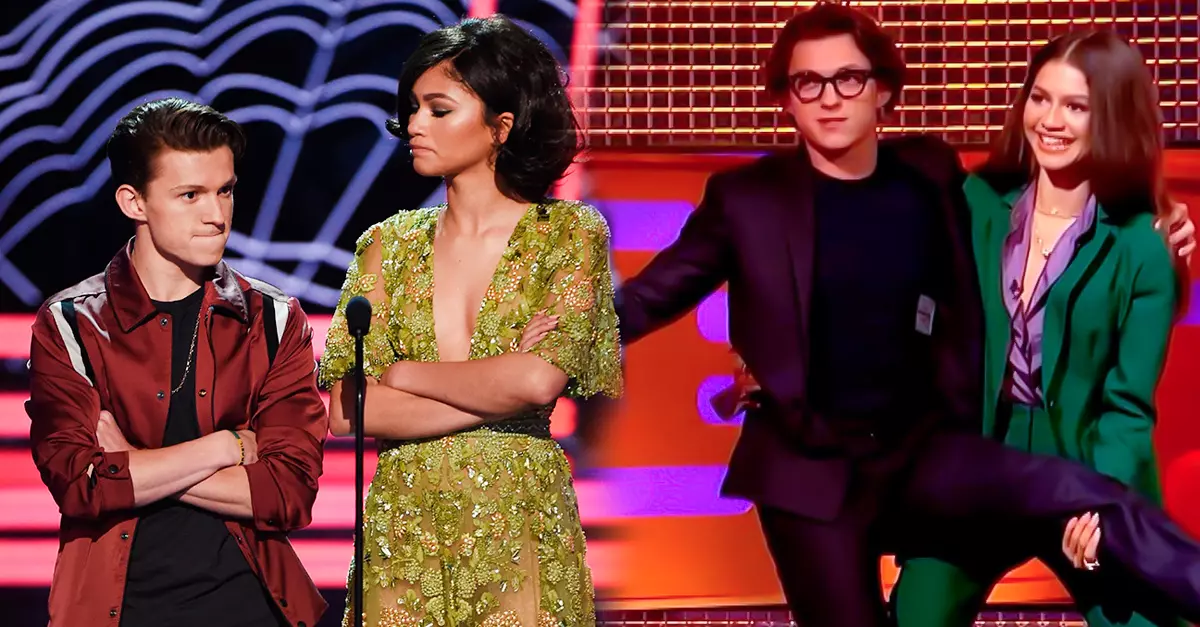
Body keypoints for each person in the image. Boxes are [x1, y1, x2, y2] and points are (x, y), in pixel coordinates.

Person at [613, 3, 1200, 627]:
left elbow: (1062, 201)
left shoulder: (931, 172)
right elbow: (649, 296)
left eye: (848, 79)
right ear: (786, 98)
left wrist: (1162, 230)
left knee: (1093, 496)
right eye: (807, 82)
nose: (829, 98)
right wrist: (556, 343)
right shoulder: (747, 200)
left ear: (883, 91)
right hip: (809, 475)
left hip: (925, 456)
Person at [317, 15, 622, 627]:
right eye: (412, 109)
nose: (414, 125)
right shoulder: (387, 245)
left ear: (500, 126)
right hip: (403, 526)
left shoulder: (567, 235)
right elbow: (347, 408)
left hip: (519, 517)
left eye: (438, 110)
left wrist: (404, 374)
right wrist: (499, 389)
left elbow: (538, 381)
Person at [888, 30, 1191, 627]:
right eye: (1040, 98)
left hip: (1084, 471)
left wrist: (1102, 504)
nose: (1050, 121)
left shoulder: (1142, 244)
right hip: (980, 462)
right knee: (916, 614)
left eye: (1076, 106)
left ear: (1113, 117)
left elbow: (1128, 407)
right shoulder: (975, 201)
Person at [26, 98, 329, 627]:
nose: (217, 216)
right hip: (118, 612)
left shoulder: (273, 319)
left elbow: (289, 494)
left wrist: (134, 461)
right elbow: (81, 485)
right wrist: (226, 447)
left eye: (225, 191)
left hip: (250, 608)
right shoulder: (71, 324)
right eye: (190, 195)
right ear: (134, 202)